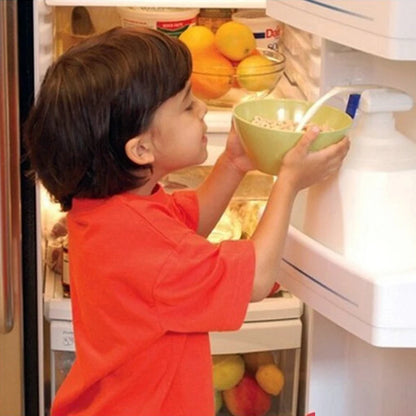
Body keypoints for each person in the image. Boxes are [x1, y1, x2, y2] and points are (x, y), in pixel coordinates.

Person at [24, 26, 349, 416]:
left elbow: (187, 222)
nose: (204, 109)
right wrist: (290, 181)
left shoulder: (110, 210)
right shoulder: (149, 248)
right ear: (141, 148)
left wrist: (233, 164)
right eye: (187, 104)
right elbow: (259, 278)